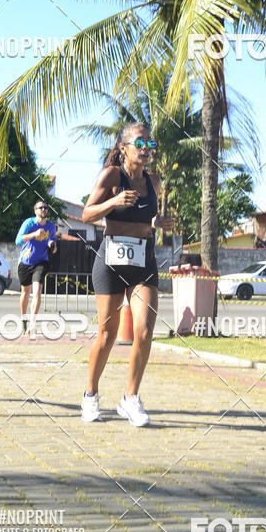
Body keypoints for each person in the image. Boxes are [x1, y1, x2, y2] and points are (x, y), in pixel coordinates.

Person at [80, 122, 173, 426]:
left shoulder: (153, 182)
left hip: (142, 260)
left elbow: (146, 218)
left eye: (150, 144)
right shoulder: (112, 176)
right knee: (107, 334)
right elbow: (87, 214)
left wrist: (158, 223)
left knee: (144, 331)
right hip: (111, 260)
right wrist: (114, 201)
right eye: (140, 144)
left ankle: (130, 398)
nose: (146, 149)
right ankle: (90, 395)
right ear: (123, 148)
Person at [15, 201, 57, 332]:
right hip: (25, 262)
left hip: (41, 262)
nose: (43, 209)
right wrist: (34, 234)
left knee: (37, 291)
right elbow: (18, 240)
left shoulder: (51, 226)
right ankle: (23, 319)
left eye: (45, 207)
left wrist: (52, 245)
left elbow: (53, 242)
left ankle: (32, 324)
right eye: (41, 208)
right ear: (35, 210)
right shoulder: (29, 223)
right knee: (25, 292)